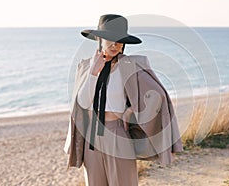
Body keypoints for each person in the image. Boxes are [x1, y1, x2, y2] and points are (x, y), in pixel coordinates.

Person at [64, 14, 183, 186]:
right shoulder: (85, 66)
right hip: (91, 139)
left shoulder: (129, 66)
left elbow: (158, 96)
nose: (115, 45)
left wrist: (130, 112)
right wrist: (93, 73)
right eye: (110, 39)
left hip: (118, 134)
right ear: (99, 39)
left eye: (119, 40)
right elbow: (82, 103)